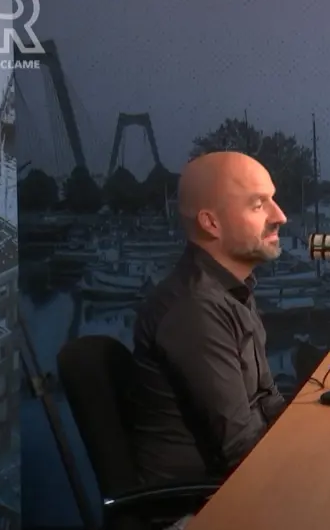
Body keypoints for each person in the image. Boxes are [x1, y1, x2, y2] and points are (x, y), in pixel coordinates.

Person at [129, 151, 289, 487]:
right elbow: (240, 450)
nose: (280, 216)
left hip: (246, 480)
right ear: (211, 223)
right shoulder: (194, 309)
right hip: (206, 501)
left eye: (273, 200)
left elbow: (268, 401)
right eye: (258, 205)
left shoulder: (231, 289)